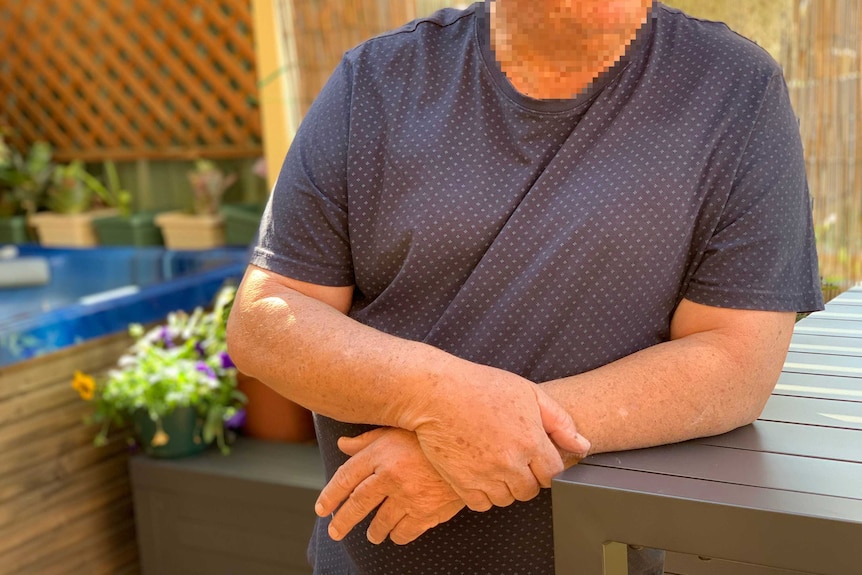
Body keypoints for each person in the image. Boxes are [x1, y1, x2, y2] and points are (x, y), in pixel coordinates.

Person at [226, 0, 824, 573]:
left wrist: (478, 439)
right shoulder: (378, 84)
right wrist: (439, 399)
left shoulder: (732, 91)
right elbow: (267, 319)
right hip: (372, 560)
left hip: (615, 558)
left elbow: (735, 361)